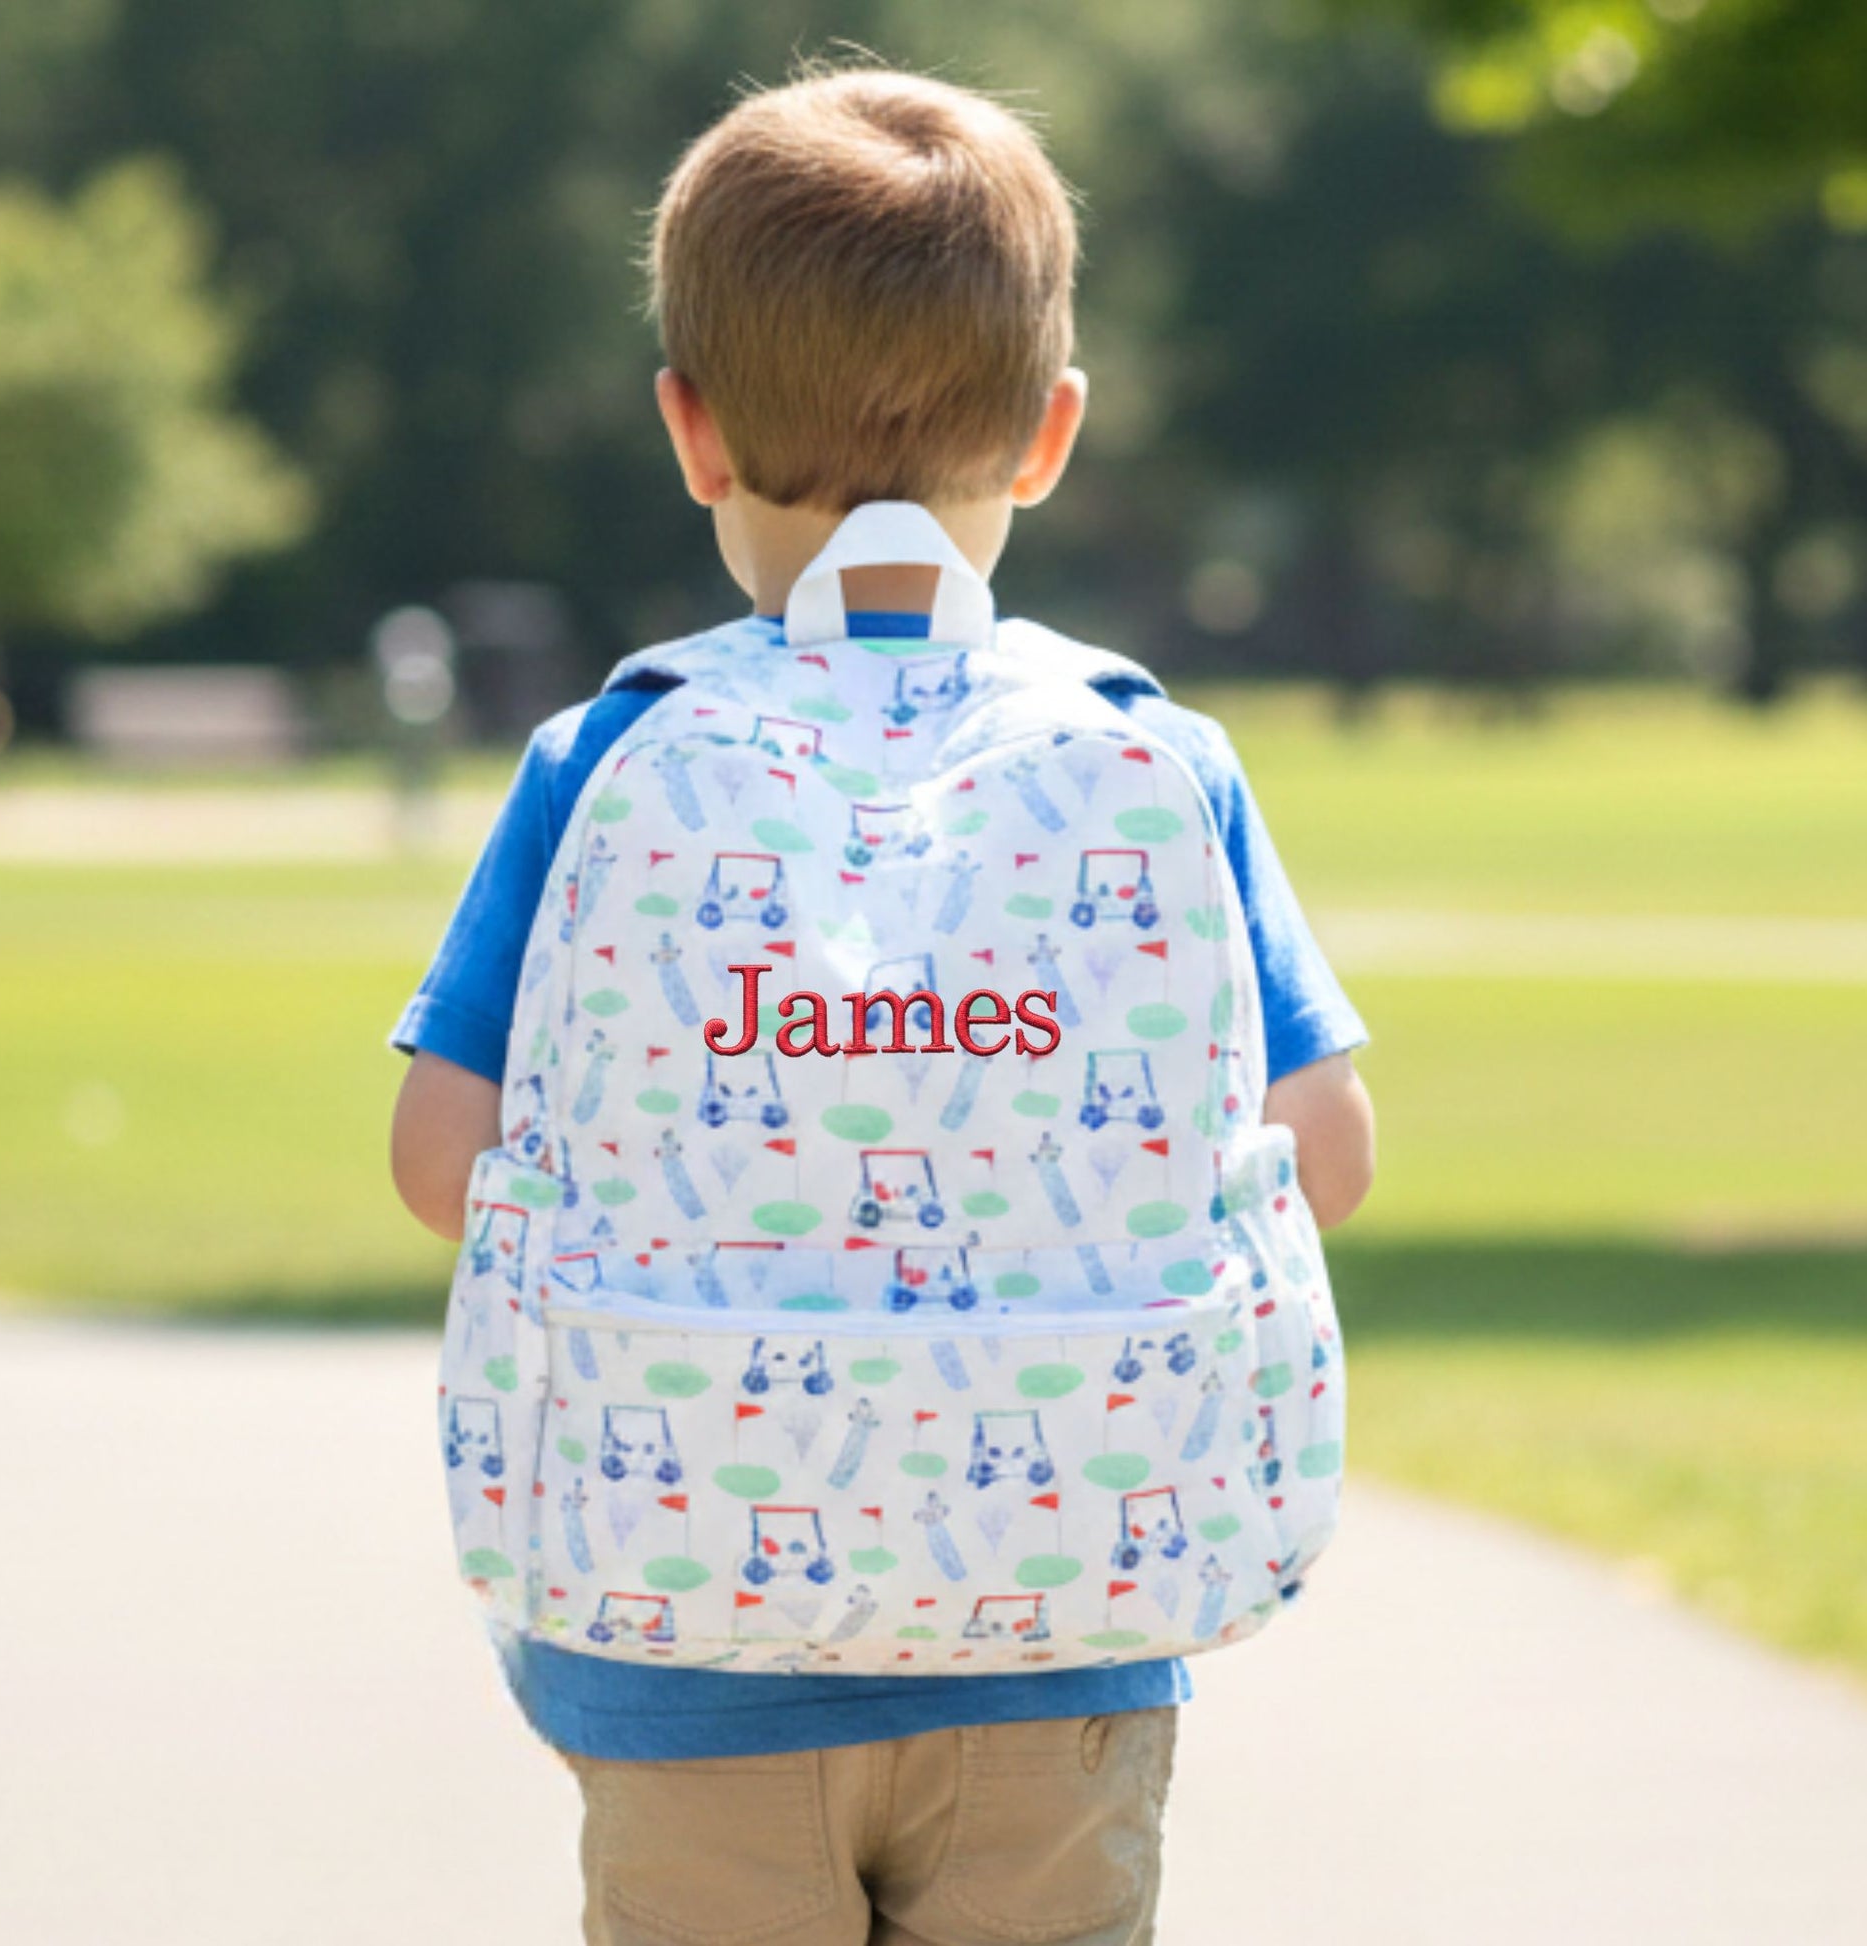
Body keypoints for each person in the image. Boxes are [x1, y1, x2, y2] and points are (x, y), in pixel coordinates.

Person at [390, 58, 1375, 1946]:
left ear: (688, 428)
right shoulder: (1141, 751)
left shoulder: (613, 754)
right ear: (1050, 433)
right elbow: (1314, 1150)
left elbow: (447, 1157)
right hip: (1071, 1631)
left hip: (679, 1644)